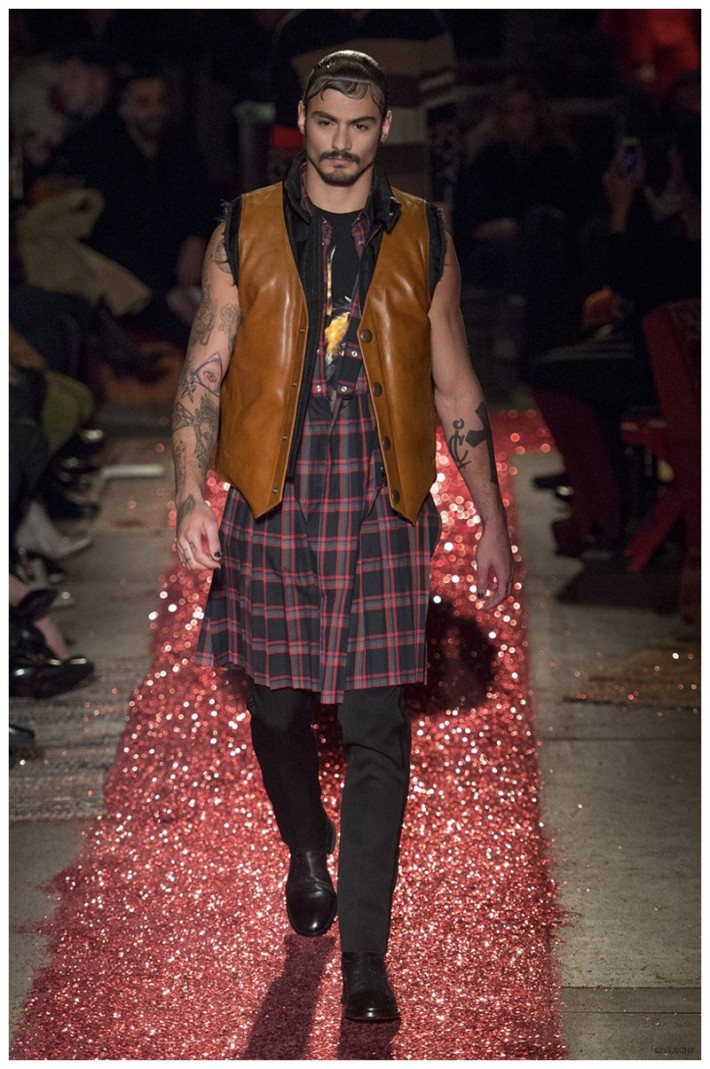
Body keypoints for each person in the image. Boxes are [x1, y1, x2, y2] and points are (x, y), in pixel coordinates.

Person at [171, 51, 513, 1023]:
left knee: (375, 723)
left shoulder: (423, 234)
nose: (340, 143)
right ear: (302, 117)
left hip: (379, 499)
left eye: (359, 127)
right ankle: (307, 844)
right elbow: (204, 368)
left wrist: (490, 518)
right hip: (273, 495)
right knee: (277, 708)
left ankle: (366, 951)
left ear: (382, 130)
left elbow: (455, 384)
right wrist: (190, 495)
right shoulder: (243, 227)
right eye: (326, 122)